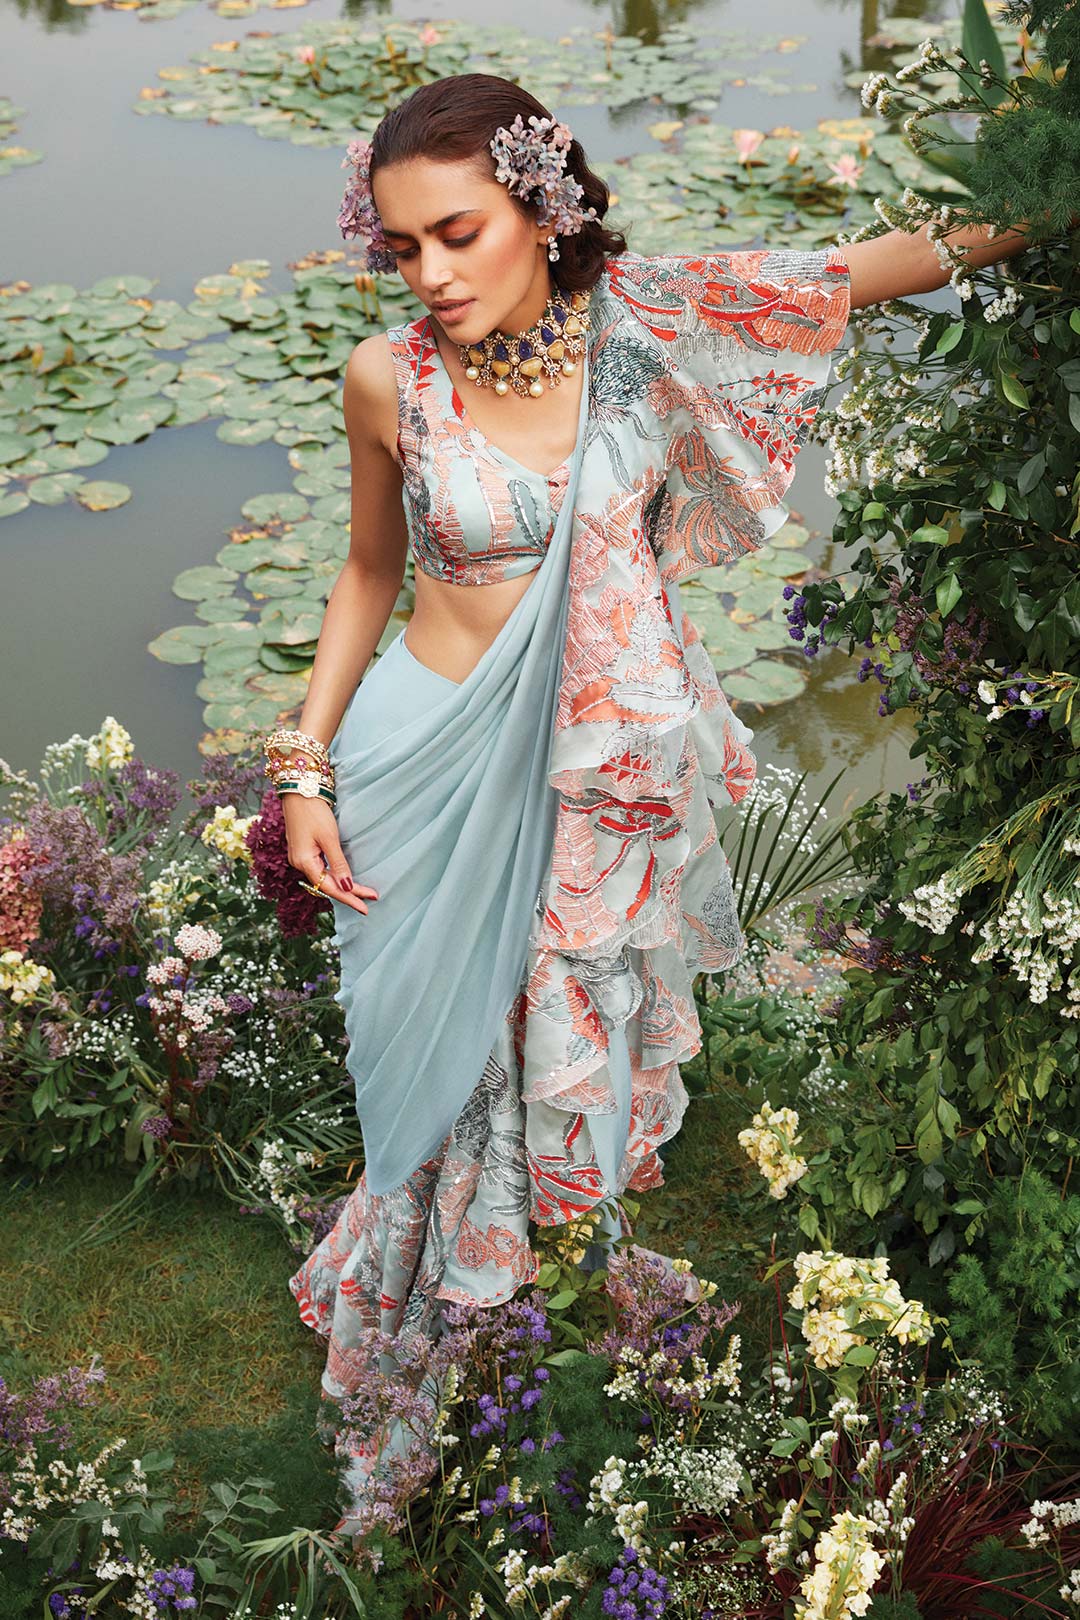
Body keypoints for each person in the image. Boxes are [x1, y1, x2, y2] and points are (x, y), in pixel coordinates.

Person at [266, 73, 1033, 1535]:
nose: (428, 275)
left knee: (566, 1041)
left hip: (603, 773)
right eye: (402, 245)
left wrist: (1041, 210)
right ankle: (432, 1328)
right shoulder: (390, 381)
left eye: (458, 234)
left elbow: (858, 273)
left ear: (544, 215)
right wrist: (303, 764)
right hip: (426, 766)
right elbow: (370, 573)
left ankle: (538, 1283)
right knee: (438, 1062)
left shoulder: (644, 333)